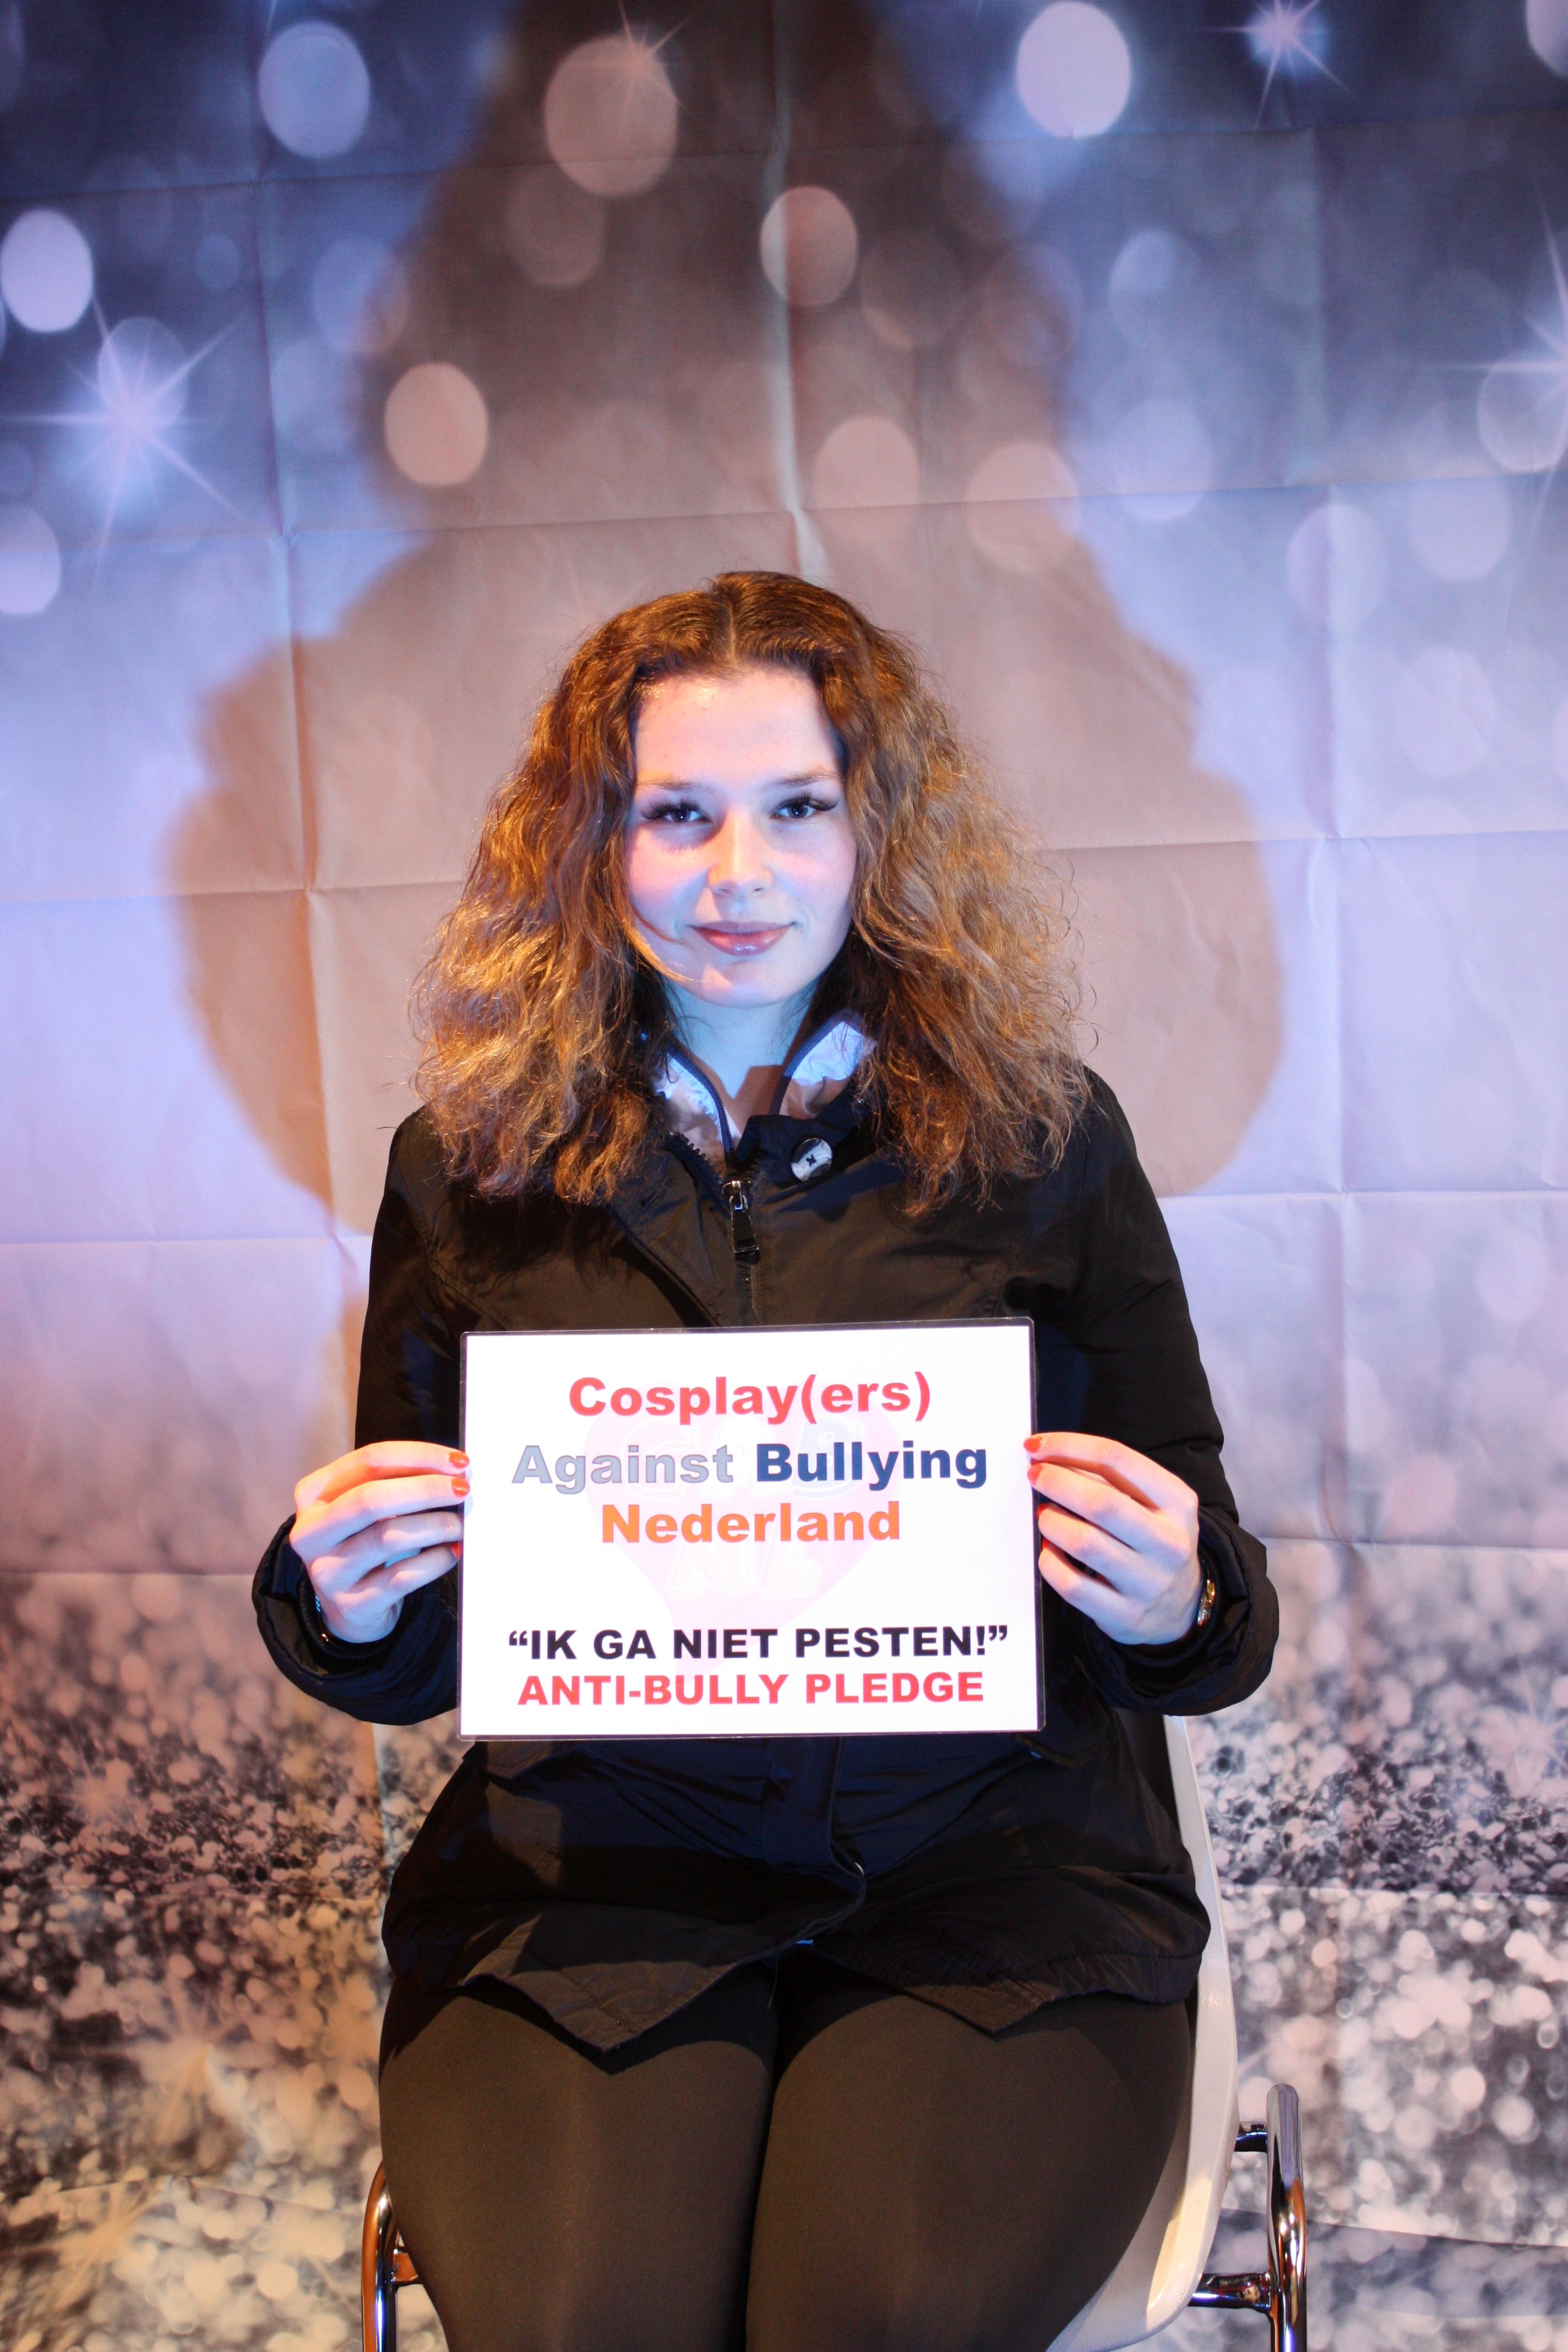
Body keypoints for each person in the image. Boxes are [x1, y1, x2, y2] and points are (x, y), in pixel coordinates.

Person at [254, 571, 1276, 2352]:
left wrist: (1176, 1597)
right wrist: (343, 1604)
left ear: (879, 830)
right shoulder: (466, 1164)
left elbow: (1216, 1625)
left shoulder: (1042, 1138)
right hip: (597, 1887)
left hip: (996, 1888)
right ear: (591, 841)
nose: (740, 877)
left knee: (864, 2325)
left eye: (800, 807)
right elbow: (426, 1646)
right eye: (678, 815)